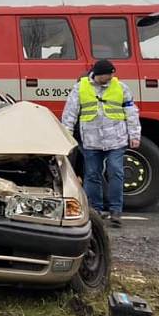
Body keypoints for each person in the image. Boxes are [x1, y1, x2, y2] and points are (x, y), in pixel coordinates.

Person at [61, 59, 141, 227]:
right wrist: (66, 135)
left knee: (116, 172)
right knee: (92, 174)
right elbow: (70, 112)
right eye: (109, 74)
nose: (112, 77)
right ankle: (96, 210)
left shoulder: (121, 87)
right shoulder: (80, 88)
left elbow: (131, 112)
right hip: (91, 140)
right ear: (98, 74)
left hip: (116, 139)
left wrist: (134, 135)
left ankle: (116, 211)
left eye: (113, 74)